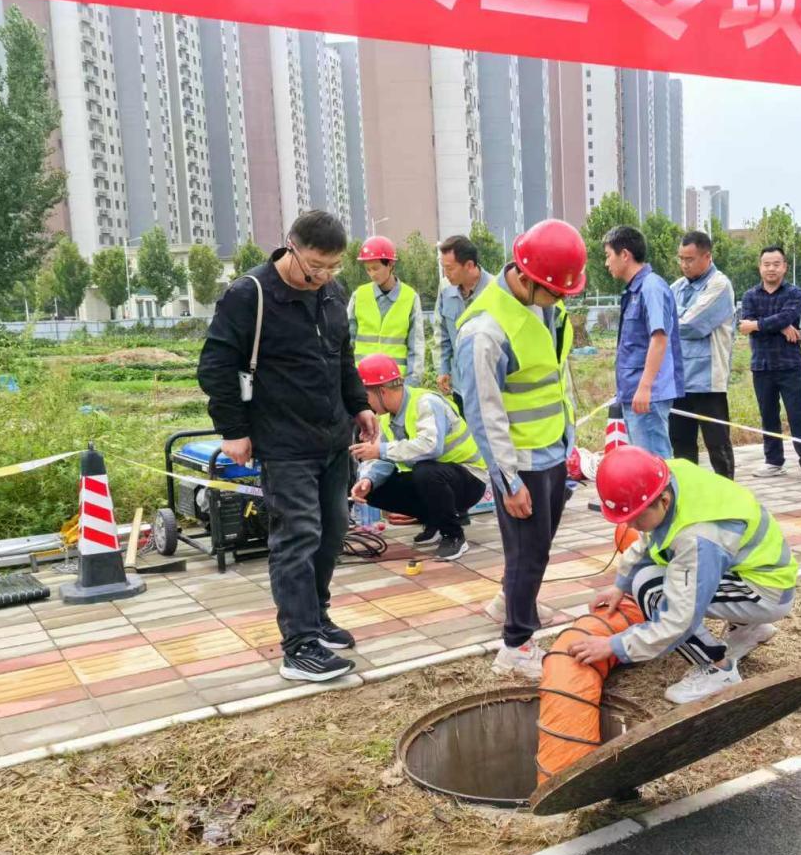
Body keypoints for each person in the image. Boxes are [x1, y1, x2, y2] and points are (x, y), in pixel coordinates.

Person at [197, 210, 374, 683]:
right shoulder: (248, 295)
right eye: (316, 265)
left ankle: (316, 617)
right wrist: (232, 430)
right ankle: (298, 648)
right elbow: (215, 366)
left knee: (333, 530)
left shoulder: (331, 292)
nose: (324, 276)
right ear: (290, 247)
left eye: (334, 267)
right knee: (297, 537)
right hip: (283, 441)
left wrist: (359, 405)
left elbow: (343, 356)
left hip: (333, 436)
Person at [455, 219, 586, 679]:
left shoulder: (547, 307)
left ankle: (510, 601)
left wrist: (570, 441)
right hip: (520, 463)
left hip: (552, 451)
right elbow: (484, 415)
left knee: (535, 549)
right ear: (527, 278)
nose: (562, 300)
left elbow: (553, 376)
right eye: (555, 291)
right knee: (530, 554)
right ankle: (516, 644)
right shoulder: (485, 331)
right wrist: (507, 481)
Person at [569, 447, 798, 704]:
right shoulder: (664, 477)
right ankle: (748, 629)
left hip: (765, 593)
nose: (630, 526)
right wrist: (621, 584)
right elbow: (650, 537)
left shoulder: (697, 537)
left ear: (663, 501)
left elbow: (678, 618)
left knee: (651, 588)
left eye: (635, 519)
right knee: (645, 578)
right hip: (758, 573)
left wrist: (613, 646)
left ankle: (718, 671)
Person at [350, 354, 488, 561]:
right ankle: (434, 520)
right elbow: (383, 460)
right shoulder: (386, 417)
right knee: (374, 488)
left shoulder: (426, 402)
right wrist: (368, 480)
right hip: (437, 478)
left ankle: (454, 535)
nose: (365, 403)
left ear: (382, 391)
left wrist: (381, 450)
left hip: (469, 479)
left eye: (365, 396)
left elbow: (430, 446)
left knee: (426, 471)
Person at [738, 246, 801, 483]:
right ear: (759, 266)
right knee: (768, 414)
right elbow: (744, 325)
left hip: (789, 364)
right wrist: (778, 326)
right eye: (766, 264)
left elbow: (786, 317)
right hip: (761, 365)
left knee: (797, 414)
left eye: (776, 264)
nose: (771, 268)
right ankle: (774, 461)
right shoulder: (750, 295)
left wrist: (759, 325)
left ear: (785, 266)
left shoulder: (795, 293)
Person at [604, 225, 683, 458]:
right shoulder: (635, 290)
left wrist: (645, 386)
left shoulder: (651, 287)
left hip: (647, 395)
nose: (607, 263)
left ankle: (670, 496)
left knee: (655, 464)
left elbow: (659, 338)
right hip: (635, 391)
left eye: (609, 256)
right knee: (644, 464)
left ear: (625, 255)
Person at [669, 231, 736, 478]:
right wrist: (675, 317)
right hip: (678, 380)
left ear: (707, 257)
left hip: (709, 382)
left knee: (717, 444)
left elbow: (692, 324)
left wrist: (672, 318)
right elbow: (659, 318)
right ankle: (688, 493)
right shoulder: (676, 287)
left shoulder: (719, 284)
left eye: (690, 259)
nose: (684, 264)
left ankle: (728, 497)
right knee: (681, 443)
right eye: (681, 259)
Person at [348, 235, 425, 385]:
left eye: (376, 268)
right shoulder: (359, 296)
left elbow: (416, 345)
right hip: (362, 381)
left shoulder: (410, 298)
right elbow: (347, 342)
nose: (372, 274)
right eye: (368, 269)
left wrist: (412, 383)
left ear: (390, 264)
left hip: (396, 383)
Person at [434, 234, 493, 411]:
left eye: (450, 269)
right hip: (460, 387)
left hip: (489, 387)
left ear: (469, 265)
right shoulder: (445, 289)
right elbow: (442, 332)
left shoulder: (495, 290)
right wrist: (443, 369)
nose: (446, 274)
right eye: (443, 268)